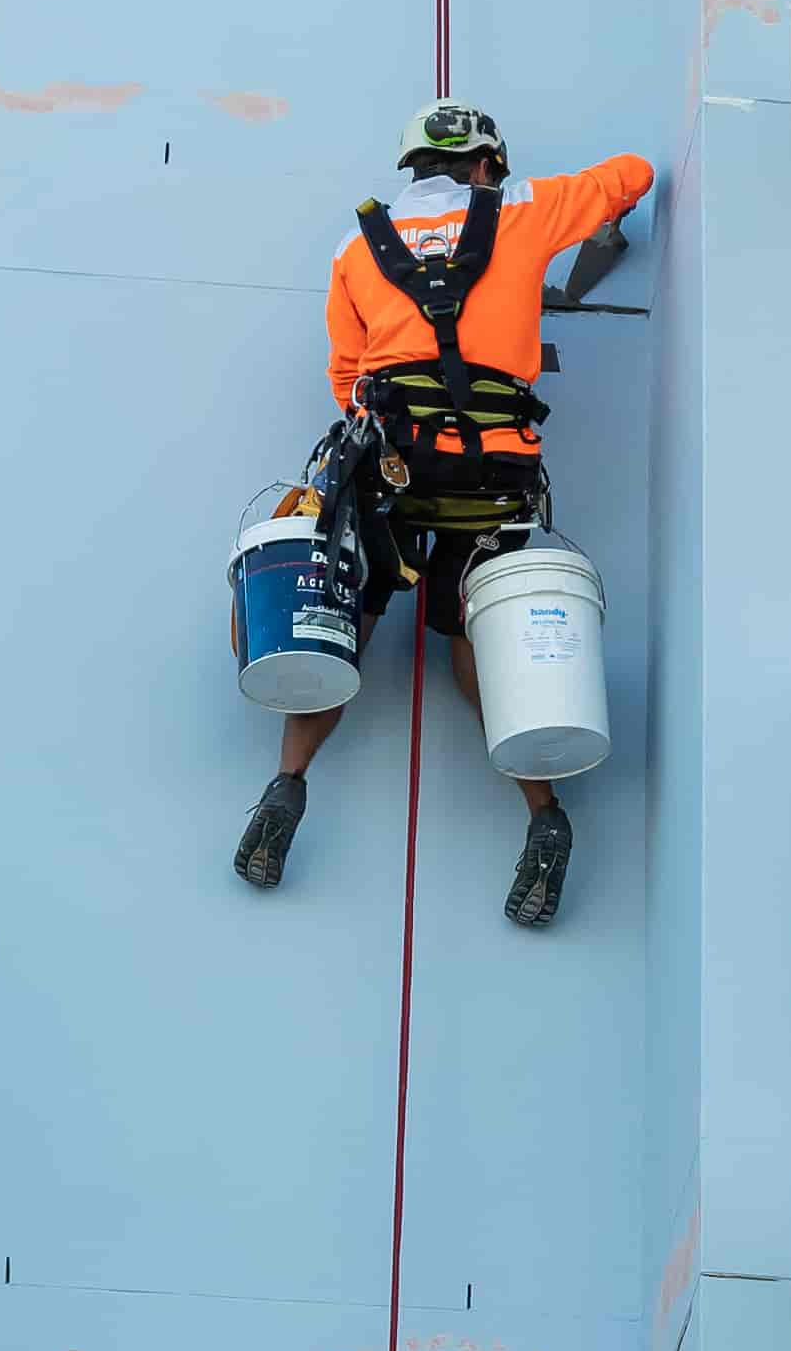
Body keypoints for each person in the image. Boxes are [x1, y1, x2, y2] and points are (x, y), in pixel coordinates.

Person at [234, 98, 653, 929]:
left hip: (389, 465)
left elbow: (347, 376)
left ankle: (285, 789)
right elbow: (631, 176)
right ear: (488, 164)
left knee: (336, 627)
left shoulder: (358, 246)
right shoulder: (526, 211)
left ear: (412, 168)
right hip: (490, 471)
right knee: (481, 641)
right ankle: (545, 816)